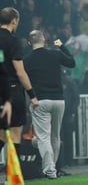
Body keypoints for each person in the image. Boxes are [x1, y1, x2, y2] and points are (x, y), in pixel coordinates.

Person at [23, 30, 75, 179]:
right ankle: (53, 166)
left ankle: (50, 169)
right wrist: (62, 46)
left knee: (43, 138)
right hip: (59, 100)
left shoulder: (27, 60)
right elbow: (72, 63)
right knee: (55, 137)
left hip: (40, 101)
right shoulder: (55, 54)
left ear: (28, 43)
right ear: (44, 40)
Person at [0, 7, 39, 166]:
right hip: (12, 89)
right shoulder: (13, 41)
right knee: (14, 135)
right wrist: (32, 95)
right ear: (14, 20)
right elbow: (20, 71)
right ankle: (12, 179)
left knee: (1, 135)